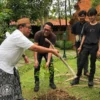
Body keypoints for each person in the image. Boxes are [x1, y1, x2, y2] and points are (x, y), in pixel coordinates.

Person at [0, 18, 59, 100]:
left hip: (11, 66)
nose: (30, 30)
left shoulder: (18, 36)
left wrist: (24, 56)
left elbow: (18, 46)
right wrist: (52, 50)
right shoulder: (18, 35)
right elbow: (35, 48)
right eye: (28, 27)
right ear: (21, 27)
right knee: (7, 92)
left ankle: (19, 98)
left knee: (16, 85)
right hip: (3, 68)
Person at [71, 8, 100, 87]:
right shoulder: (86, 25)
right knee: (81, 63)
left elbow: (99, 39)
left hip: (94, 47)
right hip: (85, 46)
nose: (90, 17)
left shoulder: (98, 26)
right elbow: (84, 36)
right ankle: (77, 79)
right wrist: (80, 46)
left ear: (96, 15)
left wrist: (99, 50)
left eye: (92, 16)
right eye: (89, 16)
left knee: (92, 64)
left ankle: (90, 80)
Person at [33, 22, 56, 92]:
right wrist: (36, 60)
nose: (45, 31)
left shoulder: (53, 37)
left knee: (51, 66)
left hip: (47, 52)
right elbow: (35, 48)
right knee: (36, 67)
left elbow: (50, 50)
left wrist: (48, 61)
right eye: (45, 29)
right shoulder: (38, 34)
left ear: (51, 30)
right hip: (39, 51)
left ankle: (51, 82)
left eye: (48, 30)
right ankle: (36, 83)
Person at [71, 10, 89, 76]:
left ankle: (86, 71)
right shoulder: (75, 25)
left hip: (86, 44)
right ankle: (79, 72)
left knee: (86, 58)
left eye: (83, 16)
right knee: (79, 57)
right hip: (78, 44)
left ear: (85, 17)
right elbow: (74, 34)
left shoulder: (88, 24)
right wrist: (74, 42)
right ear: (79, 17)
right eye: (80, 16)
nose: (82, 17)